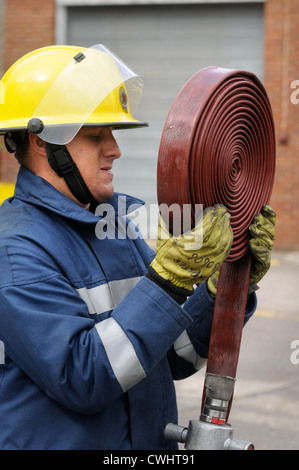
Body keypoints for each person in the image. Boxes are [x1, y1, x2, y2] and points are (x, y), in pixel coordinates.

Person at [0, 44, 275, 450]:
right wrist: (166, 284)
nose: (115, 149)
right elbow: (85, 377)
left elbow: (173, 356)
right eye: (96, 135)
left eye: (113, 133)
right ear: (44, 143)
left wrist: (227, 288)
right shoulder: (15, 253)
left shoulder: (115, 229)